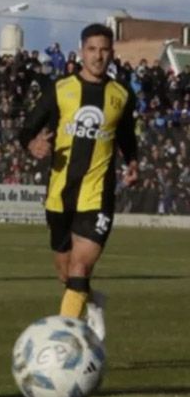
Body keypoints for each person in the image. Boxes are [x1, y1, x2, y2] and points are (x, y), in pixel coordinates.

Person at [18, 23, 138, 341]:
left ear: (112, 53)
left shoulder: (122, 94)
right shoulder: (60, 89)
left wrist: (133, 162)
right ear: (82, 51)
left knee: (80, 268)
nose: (98, 56)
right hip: (59, 194)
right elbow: (26, 128)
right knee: (66, 273)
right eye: (92, 49)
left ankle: (63, 341)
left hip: (98, 194)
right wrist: (33, 145)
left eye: (104, 50)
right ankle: (92, 301)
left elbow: (125, 134)